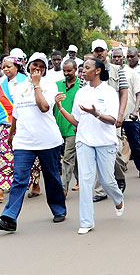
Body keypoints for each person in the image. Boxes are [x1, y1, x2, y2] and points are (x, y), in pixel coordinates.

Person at [0, 53, 66, 232]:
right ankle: (9, 217)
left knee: (51, 177)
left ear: (45, 68)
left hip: (48, 141)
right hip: (24, 142)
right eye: (34, 65)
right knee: (19, 179)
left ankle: (59, 209)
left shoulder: (49, 85)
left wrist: (36, 85)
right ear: (28, 66)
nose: (37, 68)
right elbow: (16, 113)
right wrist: (11, 135)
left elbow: (44, 107)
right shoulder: (18, 87)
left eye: (41, 66)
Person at [56, 58, 124, 234]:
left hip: (105, 142)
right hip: (84, 141)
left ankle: (117, 197)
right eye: (82, 68)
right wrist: (60, 108)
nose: (83, 71)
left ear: (97, 71)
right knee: (86, 182)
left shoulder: (109, 92)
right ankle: (86, 222)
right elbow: (76, 120)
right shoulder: (81, 92)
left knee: (107, 181)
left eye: (87, 68)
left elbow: (113, 120)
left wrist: (96, 113)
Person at [0, 56, 41, 203]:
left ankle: (35, 184)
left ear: (17, 67)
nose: (6, 69)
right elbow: (1, 105)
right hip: (6, 125)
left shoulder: (26, 82)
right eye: (4, 67)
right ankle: (1, 189)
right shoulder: (3, 84)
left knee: (31, 157)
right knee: (5, 157)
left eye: (9, 66)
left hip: (25, 125)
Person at [91, 39, 129, 202]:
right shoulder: (88, 70)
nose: (99, 53)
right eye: (96, 50)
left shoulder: (117, 70)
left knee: (115, 152)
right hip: (94, 119)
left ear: (107, 52)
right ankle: (100, 190)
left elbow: (124, 92)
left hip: (113, 119)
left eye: (102, 50)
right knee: (98, 153)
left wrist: (120, 115)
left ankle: (119, 176)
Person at [114, 48, 140, 183]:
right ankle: (117, 172)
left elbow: (138, 93)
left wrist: (135, 111)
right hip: (113, 116)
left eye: (119, 57)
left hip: (129, 115)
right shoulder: (109, 72)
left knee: (135, 143)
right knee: (115, 145)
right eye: (114, 57)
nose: (117, 59)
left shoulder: (131, 73)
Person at [54, 59, 80, 195]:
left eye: (69, 70)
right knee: (71, 158)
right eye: (64, 71)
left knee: (68, 158)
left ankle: (63, 188)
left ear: (75, 69)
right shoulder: (57, 85)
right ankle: (81, 181)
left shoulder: (81, 85)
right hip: (58, 128)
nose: (66, 73)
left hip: (73, 128)